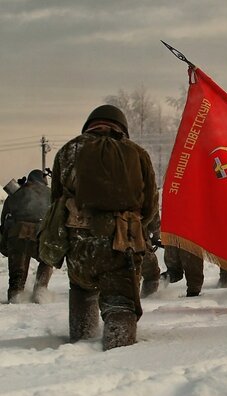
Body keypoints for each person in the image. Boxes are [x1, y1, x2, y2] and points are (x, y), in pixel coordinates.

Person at [51, 104, 158, 350]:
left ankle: (79, 340)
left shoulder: (69, 150)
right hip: (122, 241)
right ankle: (115, 359)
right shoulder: (137, 153)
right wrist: (136, 225)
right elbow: (150, 203)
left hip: (78, 240)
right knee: (120, 301)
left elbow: (55, 198)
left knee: (80, 288)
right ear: (121, 127)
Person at [0, 169, 54, 303]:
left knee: (18, 267)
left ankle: (16, 294)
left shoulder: (16, 192)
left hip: (17, 232)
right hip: (41, 233)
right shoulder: (51, 193)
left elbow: (4, 216)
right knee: (47, 260)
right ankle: (41, 291)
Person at [140, 213, 162, 298]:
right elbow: (153, 219)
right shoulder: (140, 199)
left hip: (103, 242)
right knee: (152, 273)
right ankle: (148, 298)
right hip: (137, 241)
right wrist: (156, 236)